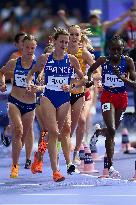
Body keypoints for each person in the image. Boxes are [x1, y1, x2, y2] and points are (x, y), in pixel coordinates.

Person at [26, 28, 84, 182]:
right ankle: (55, 171)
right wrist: (29, 83)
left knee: (58, 133)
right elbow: (31, 73)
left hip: (64, 98)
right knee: (53, 132)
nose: (64, 44)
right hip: (48, 97)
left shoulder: (72, 59)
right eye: (62, 42)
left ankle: (40, 158)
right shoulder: (45, 58)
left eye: (66, 42)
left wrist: (71, 87)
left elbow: (83, 79)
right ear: (54, 41)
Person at [87, 35, 136, 177]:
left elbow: (135, 84)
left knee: (110, 131)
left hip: (121, 99)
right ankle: (110, 166)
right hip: (107, 97)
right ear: (108, 50)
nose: (115, 52)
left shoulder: (128, 61)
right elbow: (90, 70)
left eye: (118, 50)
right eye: (113, 49)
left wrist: (122, 78)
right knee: (113, 130)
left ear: (123, 50)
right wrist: (90, 81)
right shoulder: (103, 60)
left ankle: (97, 132)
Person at [0, 35, 38, 178]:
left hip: (30, 105)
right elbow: (2, 72)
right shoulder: (14, 62)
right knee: (18, 129)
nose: (29, 50)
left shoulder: (38, 65)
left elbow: (43, 83)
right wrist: (3, 84)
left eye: (32, 48)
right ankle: (14, 166)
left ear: (35, 48)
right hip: (14, 101)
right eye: (26, 47)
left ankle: (23, 157)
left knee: (22, 136)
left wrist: (37, 87)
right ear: (22, 47)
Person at [58, 9, 129, 59]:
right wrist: (62, 17)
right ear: (90, 19)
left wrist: (129, 13)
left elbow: (118, 19)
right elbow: (70, 26)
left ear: (99, 19)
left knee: (99, 72)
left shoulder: (103, 26)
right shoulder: (86, 26)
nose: (93, 20)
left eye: (95, 18)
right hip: (88, 52)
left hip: (99, 52)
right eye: (92, 18)